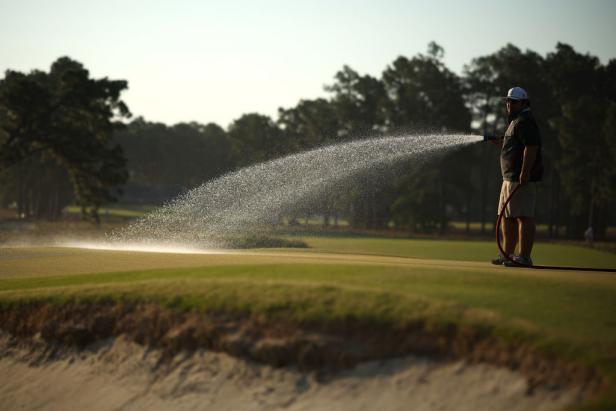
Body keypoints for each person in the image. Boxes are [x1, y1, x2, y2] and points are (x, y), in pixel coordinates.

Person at [490, 87, 543, 266]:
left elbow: (531, 146)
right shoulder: (515, 121)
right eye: (507, 101)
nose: (508, 104)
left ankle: (524, 257)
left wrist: (525, 172)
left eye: (512, 101)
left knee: (523, 216)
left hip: (520, 178)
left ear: (523, 103)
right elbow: (513, 146)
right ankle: (507, 254)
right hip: (509, 178)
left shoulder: (525, 121)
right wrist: (498, 141)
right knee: (506, 216)